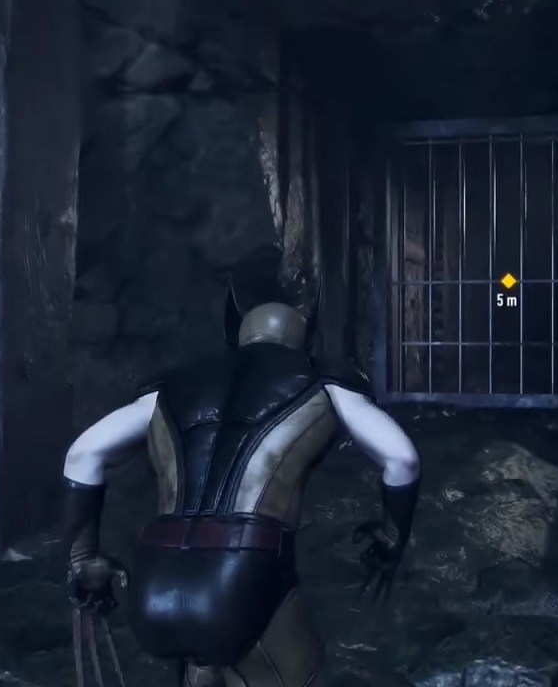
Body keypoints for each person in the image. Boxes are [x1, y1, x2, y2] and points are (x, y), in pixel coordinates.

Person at [60, 255, 421, 687]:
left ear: (238, 331)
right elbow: (402, 459)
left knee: (203, 666)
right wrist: (391, 537)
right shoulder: (323, 381)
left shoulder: (167, 389)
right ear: (304, 337)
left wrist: (83, 560)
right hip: (242, 576)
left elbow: (83, 455)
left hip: (155, 586)